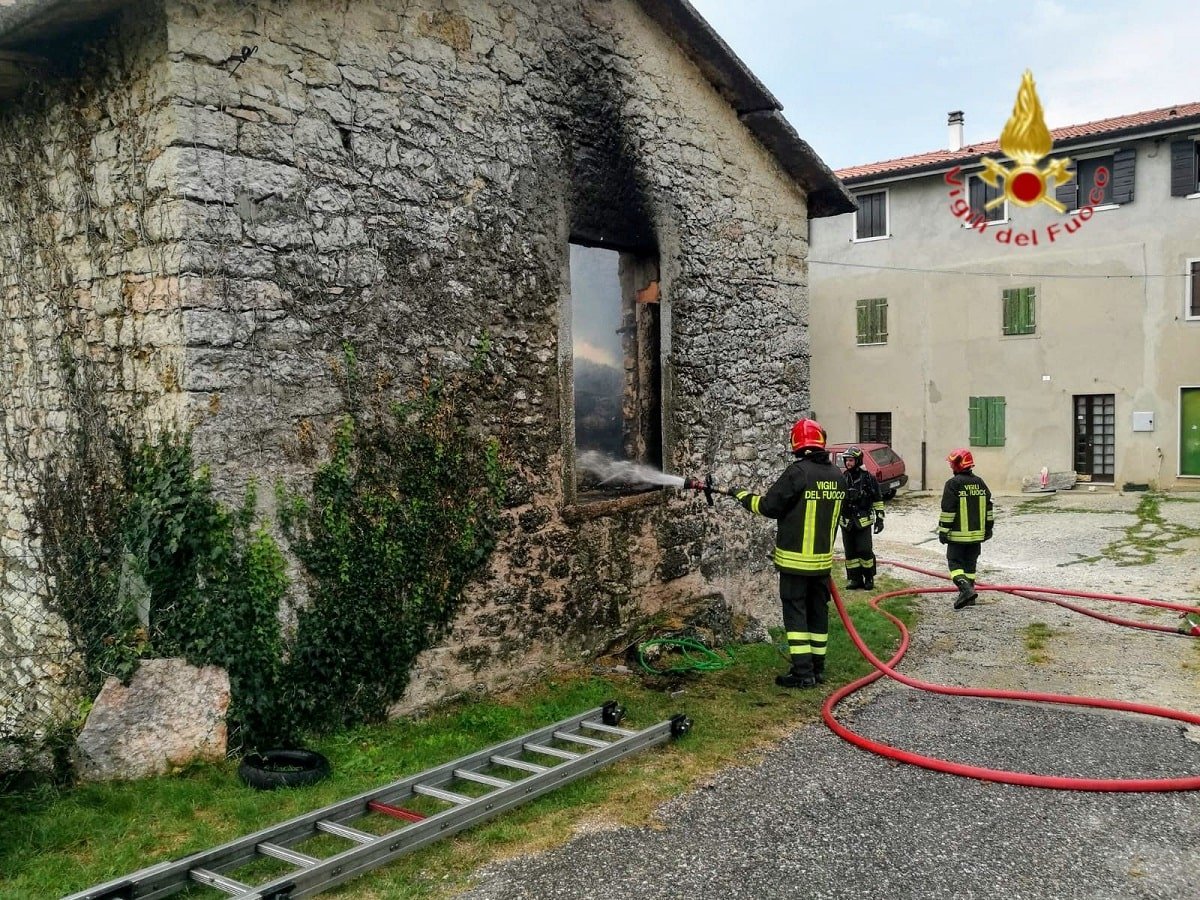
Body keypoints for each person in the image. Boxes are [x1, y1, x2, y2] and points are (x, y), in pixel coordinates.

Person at [691, 419, 846, 688]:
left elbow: (768, 507)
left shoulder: (798, 473)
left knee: (796, 613)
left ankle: (802, 672)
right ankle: (817, 668)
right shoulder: (837, 476)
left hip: (795, 564)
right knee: (817, 611)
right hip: (822, 564)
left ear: (796, 443)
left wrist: (741, 495)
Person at [938, 448, 995, 609]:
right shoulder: (980, 483)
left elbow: (948, 510)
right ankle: (970, 596)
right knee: (970, 565)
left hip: (957, 536)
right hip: (977, 536)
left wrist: (943, 531)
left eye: (952, 464)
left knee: (954, 563)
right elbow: (989, 509)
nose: (951, 466)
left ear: (959, 465)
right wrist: (988, 528)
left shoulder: (952, 484)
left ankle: (965, 590)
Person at [839, 447, 884, 590]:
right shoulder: (842, 478)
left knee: (864, 550)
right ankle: (855, 579)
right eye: (846, 460)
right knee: (850, 552)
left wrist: (880, 519)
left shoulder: (868, 478)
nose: (848, 463)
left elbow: (877, 499)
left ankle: (869, 577)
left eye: (851, 460)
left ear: (858, 461)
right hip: (846, 522)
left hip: (863, 522)